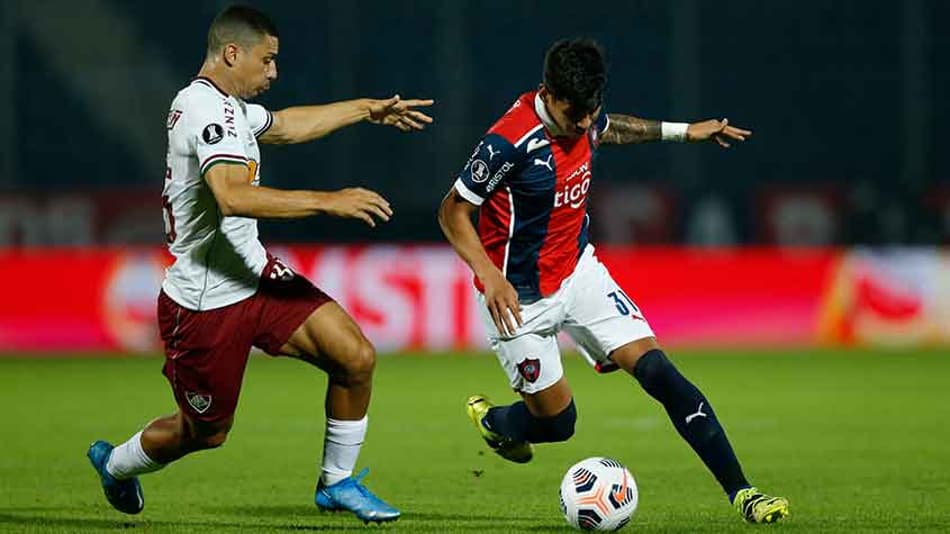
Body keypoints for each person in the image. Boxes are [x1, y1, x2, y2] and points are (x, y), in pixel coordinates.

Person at [87, 5, 433, 524]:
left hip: (255, 276)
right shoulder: (204, 111)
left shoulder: (227, 108)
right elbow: (229, 195)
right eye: (267, 60)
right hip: (205, 303)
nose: (273, 72)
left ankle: (336, 483)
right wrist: (327, 200)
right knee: (205, 433)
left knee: (355, 357)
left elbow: (289, 126)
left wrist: (365, 108)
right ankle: (116, 465)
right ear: (232, 53)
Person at [438, 37, 788, 524]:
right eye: (574, 113)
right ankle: (497, 422)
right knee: (559, 424)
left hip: (580, 274)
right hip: (519, 299)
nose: (584, 124)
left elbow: (613, 129)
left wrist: (686, 132)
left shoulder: (585, 114)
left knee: (660, 374)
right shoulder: (507, 142)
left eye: (590, 111)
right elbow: (453, 211)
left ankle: (744, 494)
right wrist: (488, 274)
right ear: (547, 92)